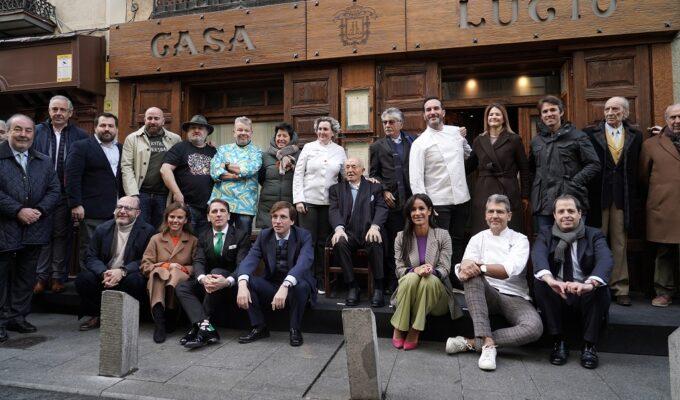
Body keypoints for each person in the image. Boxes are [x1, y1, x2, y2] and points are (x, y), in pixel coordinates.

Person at [446, 194, 542, 371]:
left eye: (500, 212)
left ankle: (472, 342)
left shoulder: (520, 239)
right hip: (485, 294)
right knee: (472, 276)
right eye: (491, 211)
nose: (495, 216)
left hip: (515, 297)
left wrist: (480, 267)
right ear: (485, 215)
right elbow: (465, 266)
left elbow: (507, 270)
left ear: (509, 216)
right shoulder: (478, 238)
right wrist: (464, 269)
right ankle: (488, 344)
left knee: (534, 328)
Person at [532, 195, 613, 369]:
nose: (566, 215)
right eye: (561, 211)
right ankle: (558, 341)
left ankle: (589, 346)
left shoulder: (594, 234)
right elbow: (538, 256)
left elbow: (605, 260)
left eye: (571, 211)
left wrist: (589, 284)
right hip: (558, 292)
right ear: (554, 215)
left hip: (584, 293)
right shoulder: (545, 233)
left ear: (579, 214)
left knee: (600, 286)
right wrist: (551, 281)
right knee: (541, 282)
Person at [0, 114, 60, 342]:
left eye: (28, 130)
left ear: (34, 134)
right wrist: (18, 210)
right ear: (8, 132)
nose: (23, 134)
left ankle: (17, 317)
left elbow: (54, 190)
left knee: (26, 276)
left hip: (35, 227)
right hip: (4, 227)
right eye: (18, 129)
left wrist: (39, 211)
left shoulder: (44, 160)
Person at [584, 97, 642, 306]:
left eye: (615, 108)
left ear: (625, 112)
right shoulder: (590, 134)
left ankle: (620, 288)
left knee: (619, 243)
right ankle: (594, 285)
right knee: (595, 242)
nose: (609, 112)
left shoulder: (636, 135)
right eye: (607, 108)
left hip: (622, 196)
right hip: (597, 196)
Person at [235, 201, 315, 347]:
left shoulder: (303, 235)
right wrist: (241, 284)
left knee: (302, 286)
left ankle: (295, 329)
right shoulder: (265, 235)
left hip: (295, 287)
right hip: (272, 284)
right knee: (248, 280)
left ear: (292, 221)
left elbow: (304, 262)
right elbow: (250, 259)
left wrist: (286, 285)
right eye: (274, 216)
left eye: (283, 217)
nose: (277, 221)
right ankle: (259, 327)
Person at [175, 199, 250, 348]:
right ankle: (205, 327)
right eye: (214, 211)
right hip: (209, 282)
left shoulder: (241, 235)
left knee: (216, 272)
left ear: (229, 215)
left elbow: (242, 265)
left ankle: (198, 329)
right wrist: (202, 278)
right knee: (182, 287)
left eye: (222, 211)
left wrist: (228, 281)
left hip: (230, 283)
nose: (218, 214)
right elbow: (199, 261)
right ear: (208, 217)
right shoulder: (203, 236)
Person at [390, 194, 461, 351]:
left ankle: (414, 330)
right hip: (409, 292)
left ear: (429, 211)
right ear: (409, 214)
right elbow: (399, 269)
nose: (417, 213)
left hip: (437, 298)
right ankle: (399, 327)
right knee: (410, 278)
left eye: (421, 208)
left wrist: (431, 271)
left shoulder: (443, 235)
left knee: (429, 280)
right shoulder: (401, 237)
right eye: (413, 210)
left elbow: (445, 268)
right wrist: (415, 270)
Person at [32, 95, 88, 294]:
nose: (58, 113)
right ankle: (41, 277)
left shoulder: (81, 135)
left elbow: (83, 169)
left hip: (66, 194)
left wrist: (77, 200)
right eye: (54, 109)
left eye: (62, 110)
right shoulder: (36, 131)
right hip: (40, 194)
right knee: (42, 235)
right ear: (49, 111)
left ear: (70, 113)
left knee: (61, 236)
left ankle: (57, 277)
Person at [409, 97, 471, 272]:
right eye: (428, 110)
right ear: (424, 115)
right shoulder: (419, 143)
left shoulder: (455, 132)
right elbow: (416, 179)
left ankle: (457, 277)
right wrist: (425, 206)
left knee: (458, 240)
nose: (432, 112)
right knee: (440, 244)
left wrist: (464, 139)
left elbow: (467, 154)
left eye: (436, 108)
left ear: (443, 112)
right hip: (437, 203)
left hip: (461, 198)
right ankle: (440, 278)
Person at [74, 196, 155, 331]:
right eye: (119, 207)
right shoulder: (103, 228)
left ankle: (124, 316)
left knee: (136, 281)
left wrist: (122, 271)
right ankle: (97, 315)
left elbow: (146, 259)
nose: (122, 211)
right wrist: (103, 272)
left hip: (128, 274)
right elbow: (90, 256)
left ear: (137, 213)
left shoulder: (147, 230)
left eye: (128, 208)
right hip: (106, 273)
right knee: (84, 279)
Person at [529, 95, 600, 231]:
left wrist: (575, 182)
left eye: (553, 110)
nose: (549, 114)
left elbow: (594, 164)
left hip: (571, 200)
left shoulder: (578, 136)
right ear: (541, 116)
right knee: (546, 240)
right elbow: (532, 169)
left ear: (561, 112)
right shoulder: (536, 141)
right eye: (545, 111)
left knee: (573, 240)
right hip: (544, 204)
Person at [292, 116, 347, 291]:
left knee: (324, 242)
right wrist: (298, 199)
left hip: (329, 203)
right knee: (309, 241)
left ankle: (322, 278)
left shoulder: (339, 150)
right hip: (308, 202)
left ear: (333, 132)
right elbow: (298, 175)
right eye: (320, 129)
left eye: (326, 129)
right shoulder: (308, 148)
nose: (322, 132)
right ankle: (307, 279)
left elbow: (345, 175)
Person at [66, 113, 123, 271]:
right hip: (91, 209)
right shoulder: (81, 146)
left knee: (112, 249)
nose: (107, 129)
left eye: (110, 126)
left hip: (117, 210)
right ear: (95, 128)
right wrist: (75, 204)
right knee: (90, 248)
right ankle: (88, 279)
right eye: (103, 125)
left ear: (116, 129)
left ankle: (108, 281)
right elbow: (72, 177)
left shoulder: (121, 148)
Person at [329, 157, 388, 307]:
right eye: (347, 167)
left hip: (369, 230)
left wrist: (375, 226)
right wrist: (339, 229)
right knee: (339, 242)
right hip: (348, 232)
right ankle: (352, 286)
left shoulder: (374, 187)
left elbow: (381, 208)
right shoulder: (336, 189)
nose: (350, 170)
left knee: (375, 240)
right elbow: (334, 211)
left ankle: (379, 287)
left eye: (354, 166)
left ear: (363, 170)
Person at [369, 107, 415, 293]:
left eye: (391, 122)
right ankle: (393, 280)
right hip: (392, 201)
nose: (387, 125)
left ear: (401, 124)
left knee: (411, 240)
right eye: (385, 122)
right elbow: (374, 175)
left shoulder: (413, 141)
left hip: (412, 200)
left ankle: (411, 278)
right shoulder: (377, 146)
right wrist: (384, 190)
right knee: (394, 242)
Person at [640, 103, 680, 307]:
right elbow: (643, 177)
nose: (677, 121)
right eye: (673, 117)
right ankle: (664, 292)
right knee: (665, 251)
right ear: (666, 120)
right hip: (664, 207)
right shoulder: (651, 144)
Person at [467, 104, 530, 234]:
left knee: (509, 228)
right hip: (484, 189)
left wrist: (525, 195)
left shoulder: (514, 139)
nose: (494, 117)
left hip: (508, 189)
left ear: (504, 118)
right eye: (491, 114)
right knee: (483, 228)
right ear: (486, 118)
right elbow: (469, 166)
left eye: (497, 114)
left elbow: (524, 169)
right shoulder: (479, 140)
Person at [141, 202, 198, 343]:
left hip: (181, 277)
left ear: (185, 220)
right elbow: (145, 265)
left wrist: (180, 268)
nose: (175, 220)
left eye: (180, 217)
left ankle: (171, 313)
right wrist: (166, 265)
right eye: (172, 217)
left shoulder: (193, 240)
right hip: (158, 279)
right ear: (167, 218)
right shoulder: (156, 239)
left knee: (174, 272)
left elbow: (197, 265)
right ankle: (159, 322)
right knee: (158, 273)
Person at [121, 107, 181, 228]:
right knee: (140, 229)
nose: (152, 121)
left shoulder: (175, 139)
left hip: (164, 195)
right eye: (149, 118)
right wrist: (133, 195)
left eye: (156, 118)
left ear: (163, 121)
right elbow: (126, 167)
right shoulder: (132, 138)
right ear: (144, 120)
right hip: (141, 193)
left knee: (161, 229)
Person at [161, 115, 216, 237]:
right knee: (185, 240)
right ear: (188, 131)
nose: (196, 130)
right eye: (193, 128)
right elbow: (165, 170)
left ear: (207, 132)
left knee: (204, 242)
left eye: (200, 128)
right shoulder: (180, 148)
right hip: (186, 206)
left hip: (209, 208)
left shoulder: (214, 151)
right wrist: (177, 193)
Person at [209, 116, 262, 233]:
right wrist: (234, 175)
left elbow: (250, 169)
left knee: (242, 239)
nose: (243, 133)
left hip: (245, 205)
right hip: (221, 202)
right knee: (220, 237)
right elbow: (214, 171)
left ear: (251, 132)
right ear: (234, 132)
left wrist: (225, 166)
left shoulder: (257, 152)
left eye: (246, 130)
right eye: (240, 130)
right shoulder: (223, 149)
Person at [256, 123, 300, 229]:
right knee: (267, 235)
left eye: (285, 136)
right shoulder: (266, 156)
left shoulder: (299, 155)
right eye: (278, 135)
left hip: (290, 205)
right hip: (268, 205)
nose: (281, 139)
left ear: (291, 138)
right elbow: (261, 178)